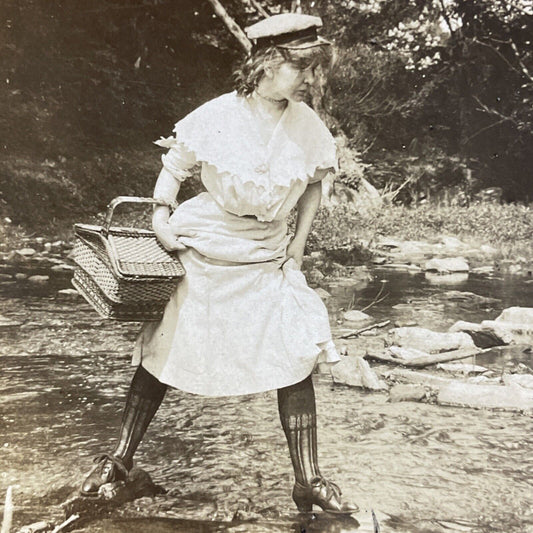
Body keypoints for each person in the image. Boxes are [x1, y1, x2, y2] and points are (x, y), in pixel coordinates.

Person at [81, 13, 358, 514]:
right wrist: (161, 216)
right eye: (303, 69)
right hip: (206, 248)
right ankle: (118, 462)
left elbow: (317, 180)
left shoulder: (306, 123)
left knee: (295, 351)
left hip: (266, 253)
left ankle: (309, 481)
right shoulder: (215, 116)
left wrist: (298, 243)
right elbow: (174, 168)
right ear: (270, 63)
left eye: (315, 69)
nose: (311, 80)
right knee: (164, 355)